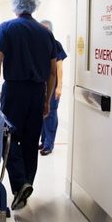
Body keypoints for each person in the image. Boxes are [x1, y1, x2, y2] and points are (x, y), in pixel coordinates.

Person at [0, 0, 57, 210]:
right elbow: (53, 71)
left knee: (6, 136)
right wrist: (46, 100)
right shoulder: (45, 33)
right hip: (37, 92)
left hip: (14, 90)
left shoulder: (7, 28)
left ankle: (19, 184)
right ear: (34, 5)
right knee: (30, 140)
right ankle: (25, 189)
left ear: (15, 5)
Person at [39, 20, 67, 156]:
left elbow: (59, 68)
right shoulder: (37, 44)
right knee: (42, 114)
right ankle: (44, 141)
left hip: (52, 86)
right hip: (40, 86)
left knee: (50, 115)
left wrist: (59, 87)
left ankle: (48, 145)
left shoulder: (56, 45)